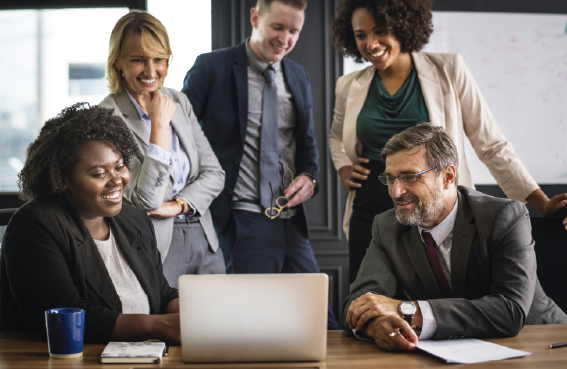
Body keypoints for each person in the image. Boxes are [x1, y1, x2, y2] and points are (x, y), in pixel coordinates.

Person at [329, 0, 567, 284]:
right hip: (371, 205)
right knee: (368, 297)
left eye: (381, 31)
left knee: (437, 299)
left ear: (404, 25)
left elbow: (490, 144)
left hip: (434, 205)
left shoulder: (449, 69)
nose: (371, 43)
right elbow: (336, 137)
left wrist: (541, 202)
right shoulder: (348, 85)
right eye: (361, 35)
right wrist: (344, 166)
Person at [343, 123, 567, 351]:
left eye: (409, 177)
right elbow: (359, 301)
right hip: (451, 353)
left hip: (542, 343)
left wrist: (405, 309)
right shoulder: (387, 226)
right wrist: (377, 325)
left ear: (448, 176)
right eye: (390, 179)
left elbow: (510, 310)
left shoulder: (504, 216)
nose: (396, 191)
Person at [182, 0, 338, 329]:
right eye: (277, 27)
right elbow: (181, 138)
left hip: (292, 222)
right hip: (241, 219)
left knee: (322, 322)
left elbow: (307, 145)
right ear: (255, 17)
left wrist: (311, 177)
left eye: (294, 31)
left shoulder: (298, 75)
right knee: (253, 324)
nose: (285, 38)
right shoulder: (211, 68)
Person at [0, 103, 180, 344]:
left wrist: (199, 312)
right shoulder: (35, 226)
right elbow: (63, 315)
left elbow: (162, 294)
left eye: (119, 167)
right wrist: (158, 327)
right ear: (63, 179)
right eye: (99, 174)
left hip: (138, 355)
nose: (117, 180)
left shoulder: (133, 219)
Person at [100, 11, 226, 288]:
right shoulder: (107, 117)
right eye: (138, 60)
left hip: (203, 236)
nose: (151, 70)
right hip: (154, 244)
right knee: (166, 329)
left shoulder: (178, 101)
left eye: (159, 59)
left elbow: (215, 173)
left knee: (219, 326)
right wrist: (159, 126)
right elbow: (146, 200)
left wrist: (178, 205)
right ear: (118, 62)